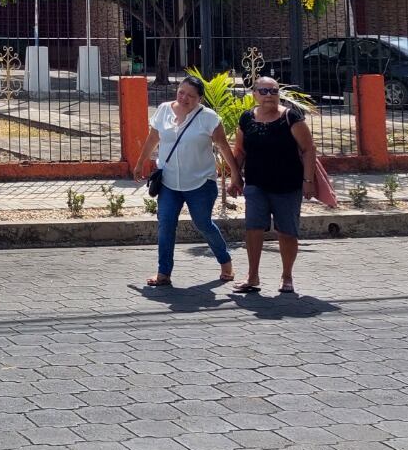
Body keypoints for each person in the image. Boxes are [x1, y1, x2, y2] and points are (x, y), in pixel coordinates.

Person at [134, 75, 242, 288]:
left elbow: (222, 147)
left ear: (200, 99)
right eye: (181, 92)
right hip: (168, 182)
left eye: (191, 96)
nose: (184, 98)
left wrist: (235, 174)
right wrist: (140, 163)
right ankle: (163, 273)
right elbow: (152, 139)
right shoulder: (164, 110)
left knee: (203, 223)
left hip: (201, 183)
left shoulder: (208, 118)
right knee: (166, 224)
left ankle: (225, 261)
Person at [231, 76, 316, 295]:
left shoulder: (290, 117)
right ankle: (252, 277)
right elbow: (240, 150)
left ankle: (287, 276)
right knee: (253, 229)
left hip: (288, 185)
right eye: (264, 91)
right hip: (256, 183)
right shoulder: (247, 118)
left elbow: (308, 149)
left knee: (287, 232)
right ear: (254, 94)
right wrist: (235, 176)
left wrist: (308, 181)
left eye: (274, 91)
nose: (269, 95)